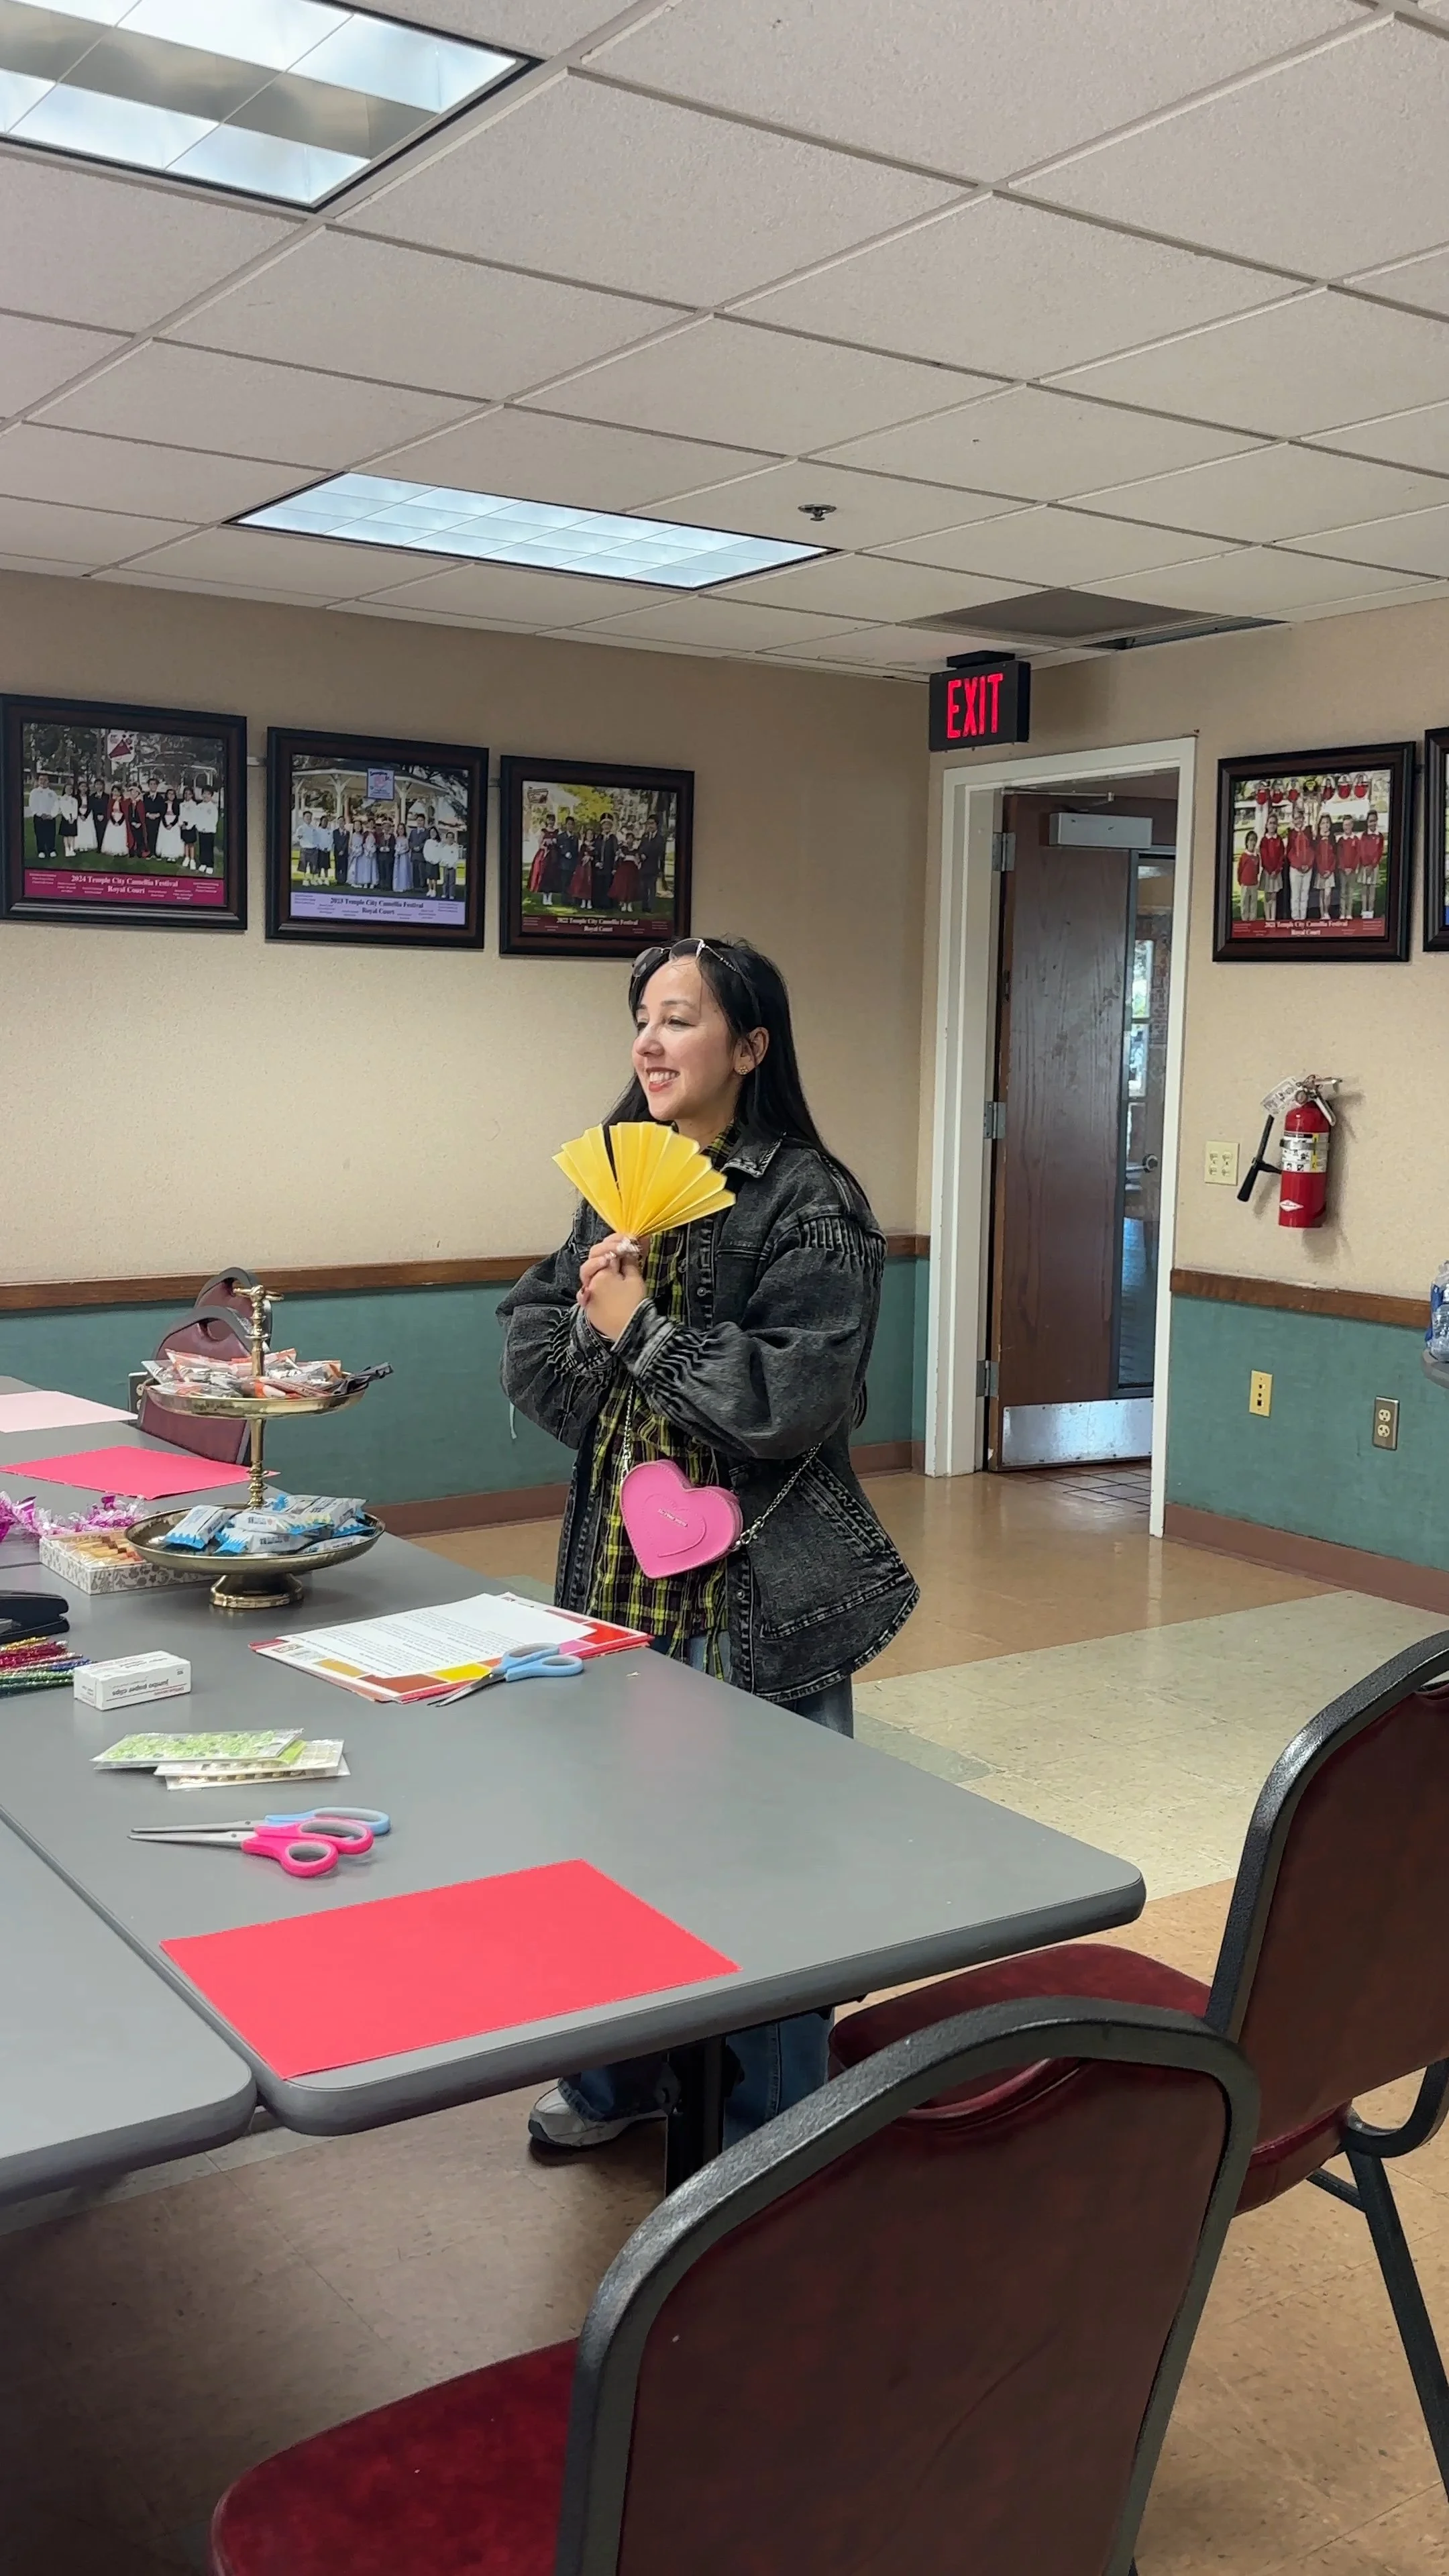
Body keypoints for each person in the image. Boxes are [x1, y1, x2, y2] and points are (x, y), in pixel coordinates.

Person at [499, 934, 918, 2155]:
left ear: (750, 1047)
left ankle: (768, 2132)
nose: (648, 1040)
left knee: (769, 1869)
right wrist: (599, 1341)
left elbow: (799, 1404)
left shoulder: (812, 1201)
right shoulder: (617, 1179)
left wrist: (639, 1335)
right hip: (615, 1585)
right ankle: (622, 2078)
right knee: (621, 1852)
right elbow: (533, 1347)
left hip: (757, 1602)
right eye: (641, 1017)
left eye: (679, 1019)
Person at [1286, 800, 1314, 924]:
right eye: (1296, 819)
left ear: (1303, 819)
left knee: (1305, 894)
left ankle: (1303, 918)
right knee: (1296, 895)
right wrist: (1298, 865)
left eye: (1300, 818)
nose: (1298, 821)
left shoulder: (1308, 831)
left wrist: (1308, 865)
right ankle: (1295, 918)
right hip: (1295, 869)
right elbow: (1290, 852)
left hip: (1308, 868)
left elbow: (1312, 849)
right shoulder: (1291, 833)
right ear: (1293, 820)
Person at [1356, 808, 1384, 920]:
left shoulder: (1379, 836)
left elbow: (1379, 852)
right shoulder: (1364, 836)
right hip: (1364, 866)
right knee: (1364, 888)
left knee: (1372, 889)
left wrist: (1373, 865)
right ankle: (1364, 910)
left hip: (1374, 866)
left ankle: (1371, 911)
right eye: (1370, 821)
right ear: (1367, 823)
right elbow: (1362, 850)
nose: (1372, 823)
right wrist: (1366, 864)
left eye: (1374, 821)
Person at [1258, 806, 1285, 921]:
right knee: (1267, 896)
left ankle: (1273, 919)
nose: (1272, 825)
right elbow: (1264, 856)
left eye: (1274, 823)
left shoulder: (1279, 840)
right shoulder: (1264, 840)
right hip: (1267, 872)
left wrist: (1277, 870)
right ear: (1267, 825)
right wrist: (1269, 870)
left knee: (1274, 896)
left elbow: (1281, 856)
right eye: (1270, 823)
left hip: (1276, 872)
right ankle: (1267, 918)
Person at [637, 814, 667, 916]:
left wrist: (647, 854)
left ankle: (651, 907)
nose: (650, 826)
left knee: (652, 888)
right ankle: (644, 907)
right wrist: (641, 855)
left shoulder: (660, 838)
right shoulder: (645, 836)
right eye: (648, 824)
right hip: (644, 866)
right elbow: (640, 848)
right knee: (643, 888)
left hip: (653, 866)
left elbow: (658, 850)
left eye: (652, 824)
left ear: (656, 825)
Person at [1311, 811, 1339, 922]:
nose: (1326, 825)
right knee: (1321, 893)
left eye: (1327, 823)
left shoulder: (1332, 839)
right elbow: (1317, 856)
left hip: (1330, 871)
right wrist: (1322, 871)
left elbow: (1335, 856)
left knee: (1328, 893)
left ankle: (1327, 912)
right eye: (1323, 823)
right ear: (1320, 825)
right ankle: (1322, 913)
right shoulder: (1317, 840)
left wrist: (1330, 870)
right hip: (1321, 870)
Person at [26, 771, 58, 862]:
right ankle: (41, 851)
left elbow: (56, 805)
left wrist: (52, 815)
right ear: (38, 781)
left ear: (48, 781)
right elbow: (32, 805)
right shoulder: (34, 792)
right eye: (41, 780)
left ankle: (51, 850)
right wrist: (40, 814)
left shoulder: (53, 793)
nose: (43, 781)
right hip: (39, 817)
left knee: (51, 834)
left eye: (45, 780)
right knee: (40, 834)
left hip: (50, 817)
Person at [1236, 826, 1261, 922]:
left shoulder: (1256, 856)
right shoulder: (1244, 856)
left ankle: (1252, 920)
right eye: (1250, 840)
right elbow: (1240, 870)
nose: (1252, 843)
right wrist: (1240, 881)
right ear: (1247, 842)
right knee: (1245, 903)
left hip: (1254, 884)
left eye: (1254, 840)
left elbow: (1257, 869)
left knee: (1254, 903)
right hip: (1245, 884)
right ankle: (1245, 920)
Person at [101, 790, 131, 858]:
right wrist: (113, 821)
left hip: (121, 820)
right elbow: (110, 811)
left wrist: (120, 822)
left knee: (120, 835)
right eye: (114, 792)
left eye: (117, 792)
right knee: (112, 835)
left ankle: (120, 850)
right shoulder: (111, 800)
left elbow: (125, 812)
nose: (115, 793)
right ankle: (111, 849)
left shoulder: (123, 801)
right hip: (113, 820)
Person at [155, 793, 183, 863]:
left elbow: (178, 816)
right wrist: (166, 825)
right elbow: (162, 815)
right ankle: (166, 853)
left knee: (173, 839)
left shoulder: (177, 804)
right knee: (166, 838)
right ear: (167, 795)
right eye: (170, 794)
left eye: (173, 794)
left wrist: (172, 825)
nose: (171, 796)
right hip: (165, 822)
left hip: (174, 823)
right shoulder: (163, 804)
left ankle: (173, 855)